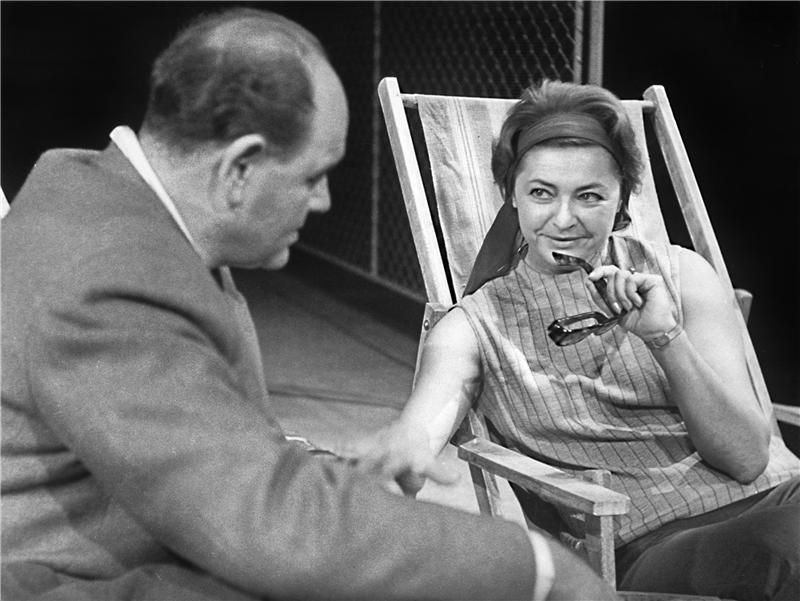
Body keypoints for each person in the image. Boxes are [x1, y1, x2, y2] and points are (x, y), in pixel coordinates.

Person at [0, 9, 617, 601]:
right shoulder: (114, 273)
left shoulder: (106, 207)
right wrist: (538, 569)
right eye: (312, 175)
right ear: (239, 167)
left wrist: (326, 476)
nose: (322, 201)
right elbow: (265, 526)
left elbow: (193, 445)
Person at [347, 80, 800, 600]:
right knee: (783, 547)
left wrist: (665, 337)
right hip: (657, 542)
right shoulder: (474, 326)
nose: (564, 220)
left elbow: (746, 458)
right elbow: (416, 437)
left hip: (779, 498)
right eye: (541, 193)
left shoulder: (681, 274)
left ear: (621, 199)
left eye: (589, 196)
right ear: (511, 196)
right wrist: (388, 464)